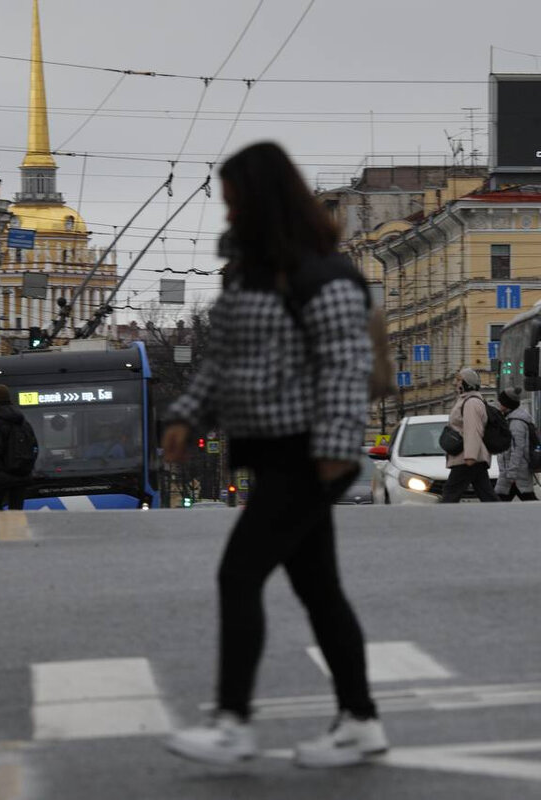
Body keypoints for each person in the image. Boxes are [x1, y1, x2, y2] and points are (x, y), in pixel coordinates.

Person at [161, 141, 386, 770]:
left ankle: (233, 722)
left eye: (236, 202)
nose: (229, 213)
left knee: (239, 575)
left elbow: (345, 366)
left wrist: (335, 451)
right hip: (273, 453)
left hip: (307, 455)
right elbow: (224, 361)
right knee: (320, 591)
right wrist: (185, 415)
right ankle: (360, 720)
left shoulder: (324, 275)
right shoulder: (250, 271)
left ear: (265, 201)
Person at [439, 367, 499, 503]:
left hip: (467, 457)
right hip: (472, 457)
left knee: (450, 492)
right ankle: (501, 513)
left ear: (467, 383)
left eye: (459, 380)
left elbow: (473, 430)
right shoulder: (466, 400)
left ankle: (444, 515)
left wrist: (470, 456)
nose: (455, 383)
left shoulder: (471, 402)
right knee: (487, 495)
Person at [0, 384, 31, 510]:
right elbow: (33, 446)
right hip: (21, 475)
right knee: (16, 512)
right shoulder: (23, 422)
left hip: (1, 477)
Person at [495, 387, 539, 501]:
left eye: (501, 402)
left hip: (515, 472)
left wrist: (512, 472)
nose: (499, 404)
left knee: (499, 502)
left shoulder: (516, 423)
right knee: (526, 499)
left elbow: (517, 449)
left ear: (507, 404)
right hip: (513, 471)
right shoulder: (511, 419)